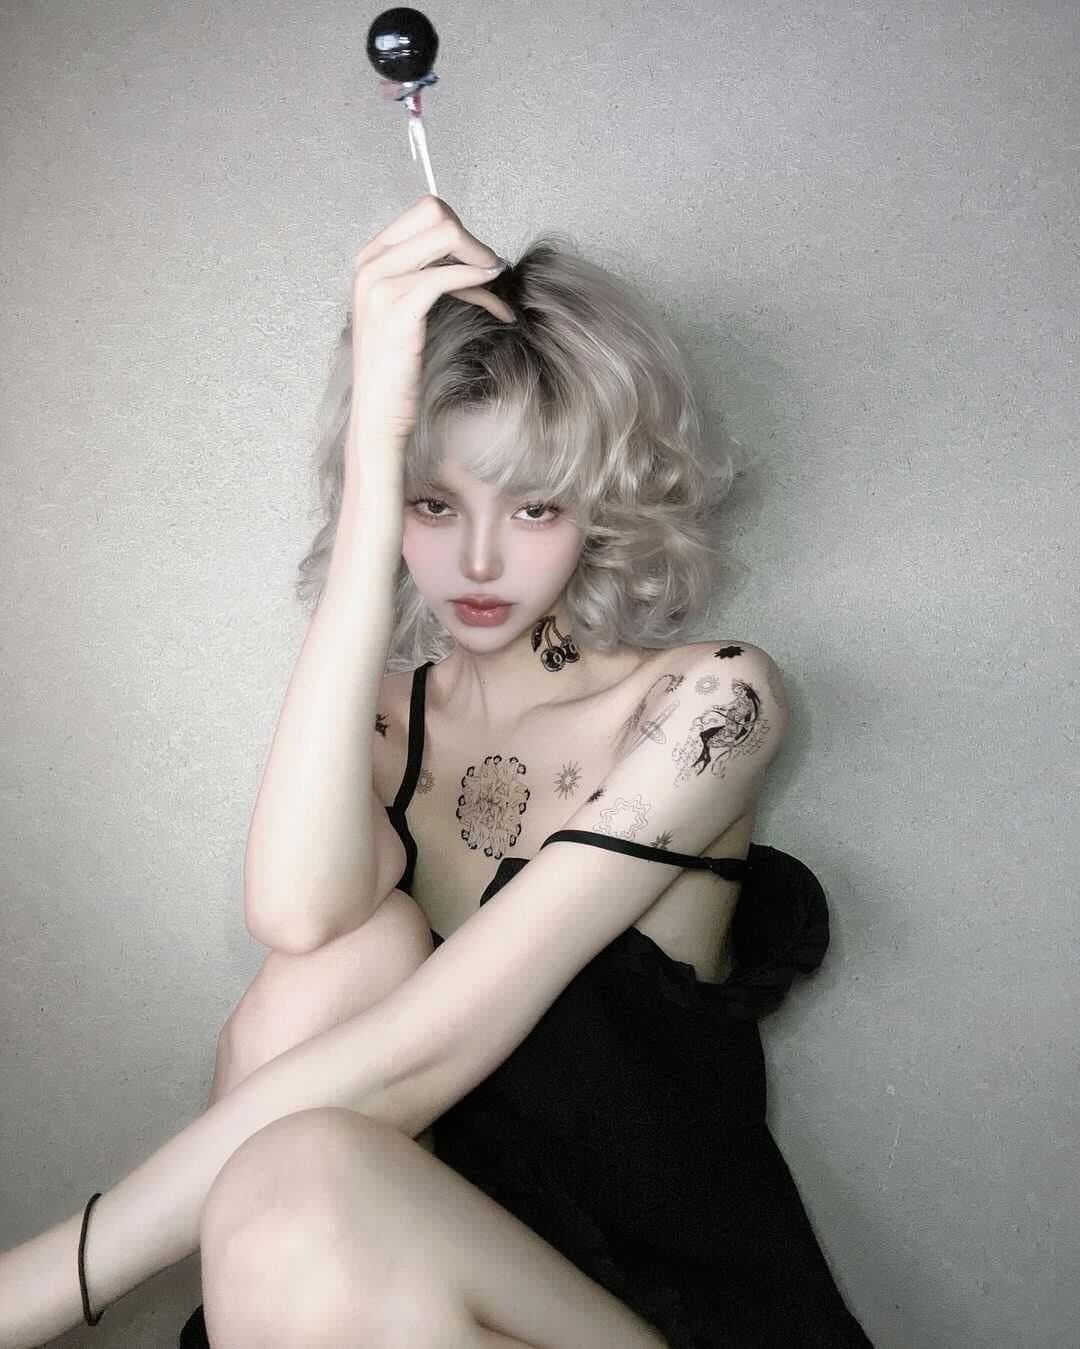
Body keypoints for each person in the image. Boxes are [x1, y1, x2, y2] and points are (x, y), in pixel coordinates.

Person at [0, 195, 871, 1349]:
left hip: (646, 1306)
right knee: (336, 964)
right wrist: (371, 478)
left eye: (535, 505)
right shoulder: (386, 721)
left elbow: (432, 1047)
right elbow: (295, 911)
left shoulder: (707, 702)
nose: (477, 559)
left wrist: (39, 1286)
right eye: (433, 502)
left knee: (296, 1172)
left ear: (602, 501)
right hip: (384, 1291)